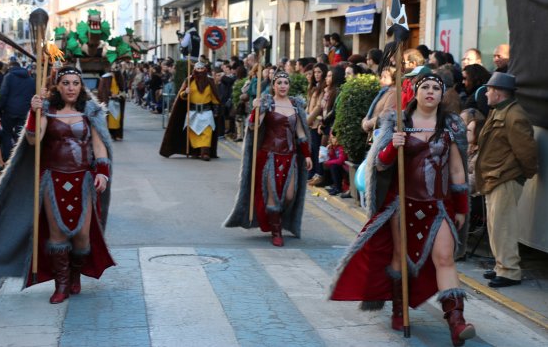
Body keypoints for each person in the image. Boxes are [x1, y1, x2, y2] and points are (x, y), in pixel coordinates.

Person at [329, 74, 476, 346]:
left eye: (436, 88)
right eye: (425, 87)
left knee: (445, 258)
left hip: (439, 205)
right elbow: (380, 166)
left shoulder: (451, 125)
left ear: (442, 94)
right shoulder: (398, 123)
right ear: (416, 92)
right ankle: (399, 306)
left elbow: (457, 169)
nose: (431, 92)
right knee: (400, 258)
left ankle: (457, 322)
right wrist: (390, 148)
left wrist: (462, 207)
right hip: (402, 204)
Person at [0, 66, 115, 304]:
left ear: (81, 86)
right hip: (53, 179)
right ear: (58, 86)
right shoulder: (47, 110)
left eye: (75, 83)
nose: (71, 88)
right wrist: (34, 113)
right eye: (66, 83)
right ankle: (62, 284)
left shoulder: (90, 111)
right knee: (56, 233)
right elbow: (34, 140)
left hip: (83, 179)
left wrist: (103, 174)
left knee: (82, 236)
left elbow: (99, 146)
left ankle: (75, 274)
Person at [224, 71, 312, 246]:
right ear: (273, 85)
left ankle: (277, 216)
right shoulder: (267, 103)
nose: (282, 86)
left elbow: (301, 132)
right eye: (279, 83)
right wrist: (256, 109)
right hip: (269, 155)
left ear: (289, 85)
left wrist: (307, 155)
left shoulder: (295, 105)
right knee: (271, 193)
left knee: (289, 195)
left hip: (291, 156)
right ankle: (276, 230)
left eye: (285, 83)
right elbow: (253, 126)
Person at [476, 72, 538, 288]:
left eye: (489, 90)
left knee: (504, 226)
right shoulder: (501, 111)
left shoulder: (514, 116)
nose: (485, 94)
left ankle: (510, 271)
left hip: (505, 178)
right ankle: (501, 266)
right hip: (496, 177)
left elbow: (527, 151)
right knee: (496, 226)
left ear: (498, 93)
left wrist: (521, 174)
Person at [159, 62, 220, 161]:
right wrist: (185, 93)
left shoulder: (210, 81)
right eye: (198, 69)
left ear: (205, 70)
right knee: (194, 132)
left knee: (207, 132)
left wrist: (216, 110)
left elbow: (215, 97)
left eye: (202, 68)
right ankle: (195, 151)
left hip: (206, 112)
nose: (200, 71)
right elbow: (181, 96)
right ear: (194, 70)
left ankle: (205, 152)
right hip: (193, 112)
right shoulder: (189, 81)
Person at [0, 61, 36, 161]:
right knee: (20, 135)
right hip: (24, 112)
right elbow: (33, 95)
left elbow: (3, 95)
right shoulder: (31, 80)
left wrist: (0, 109)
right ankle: (19, 159)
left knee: (7, 134)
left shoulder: (8, 77)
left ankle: (7, 158)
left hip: (9, 112)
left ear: (11, 67)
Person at [97, 67, 126, 141]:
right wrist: (110, 94)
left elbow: (122, 87)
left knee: (117, 118)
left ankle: (117, 134)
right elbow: (102, 90)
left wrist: (119, 94)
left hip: (117, 100)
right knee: (110, 119)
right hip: (109, 100)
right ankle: (111, 134)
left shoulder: (119, 76)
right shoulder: (106, 77)